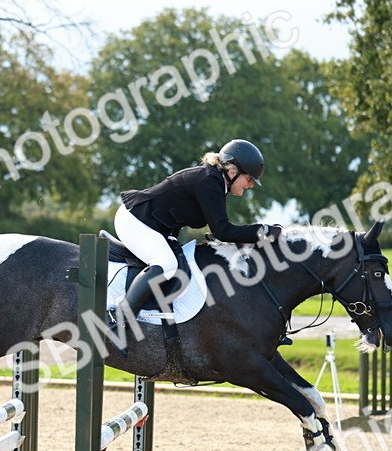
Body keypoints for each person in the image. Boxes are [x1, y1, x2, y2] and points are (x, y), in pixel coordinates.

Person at [109, 139, 281, 343]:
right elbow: (224, 231)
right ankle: (119, 319)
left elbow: (219, 230)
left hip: (153, 225)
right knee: (167, 265)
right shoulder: (209, 182)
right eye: (249, 179)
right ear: (233, 171)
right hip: (135, 220)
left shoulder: (215, 181)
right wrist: (264, 231)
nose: (251, 185)